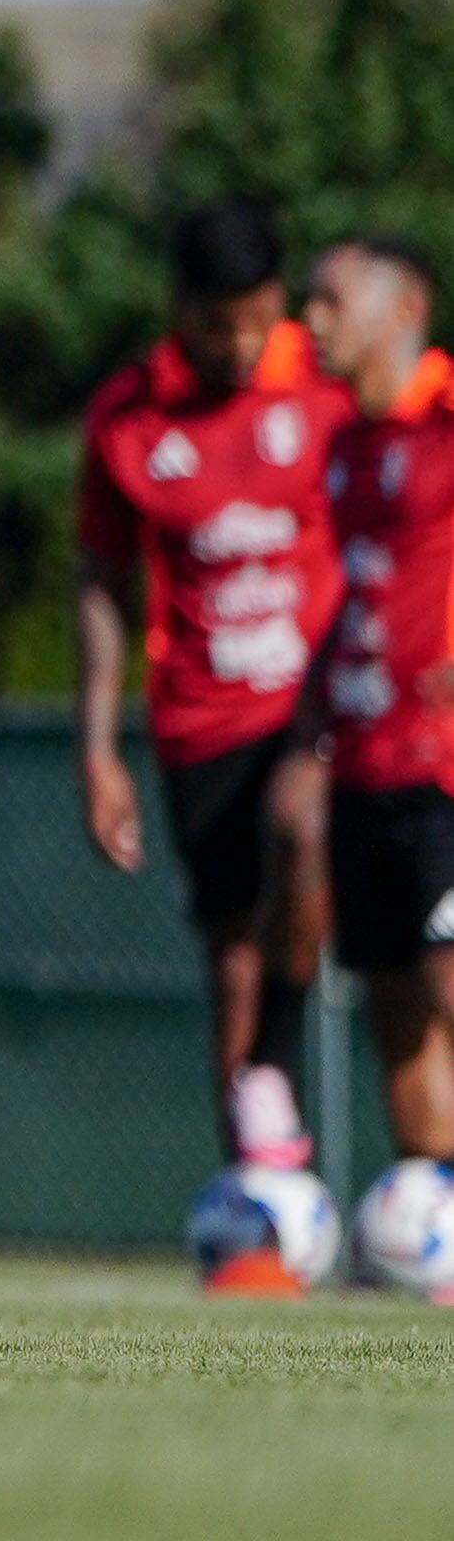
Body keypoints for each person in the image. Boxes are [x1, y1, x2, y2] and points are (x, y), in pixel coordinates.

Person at [75, 198, 341, 1172]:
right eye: (214, 323)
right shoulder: (127, 416)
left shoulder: (326, 387)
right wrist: (97, 746)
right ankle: (256, 1194)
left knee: (307, 834)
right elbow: (100, 581)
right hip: (201, 718)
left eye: (252, 319)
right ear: (178, 305)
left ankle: (411, 1169)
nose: (235, 343)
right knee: (232, 954)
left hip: (324, 710)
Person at [306, 235, 454, 1246]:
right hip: (362, 758)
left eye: (328, 301)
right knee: (394, 1001)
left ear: (403, 310)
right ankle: (428, 1224)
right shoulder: (340, 440)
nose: (309, 321)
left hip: (446, 764)